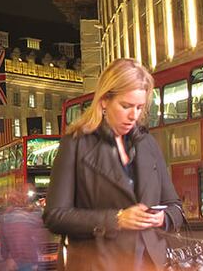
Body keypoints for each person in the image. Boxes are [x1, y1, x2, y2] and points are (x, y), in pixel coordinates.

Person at [43, 58, 183, 270]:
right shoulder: (75, 144)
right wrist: (116, 219)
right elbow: (55, 216)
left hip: (150, 263)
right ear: (104, 101)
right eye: (126, 106)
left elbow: (175, 207)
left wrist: (163, 218)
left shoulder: (147, 144)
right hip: (98, 264)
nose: (133, 116)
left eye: (139, 107)